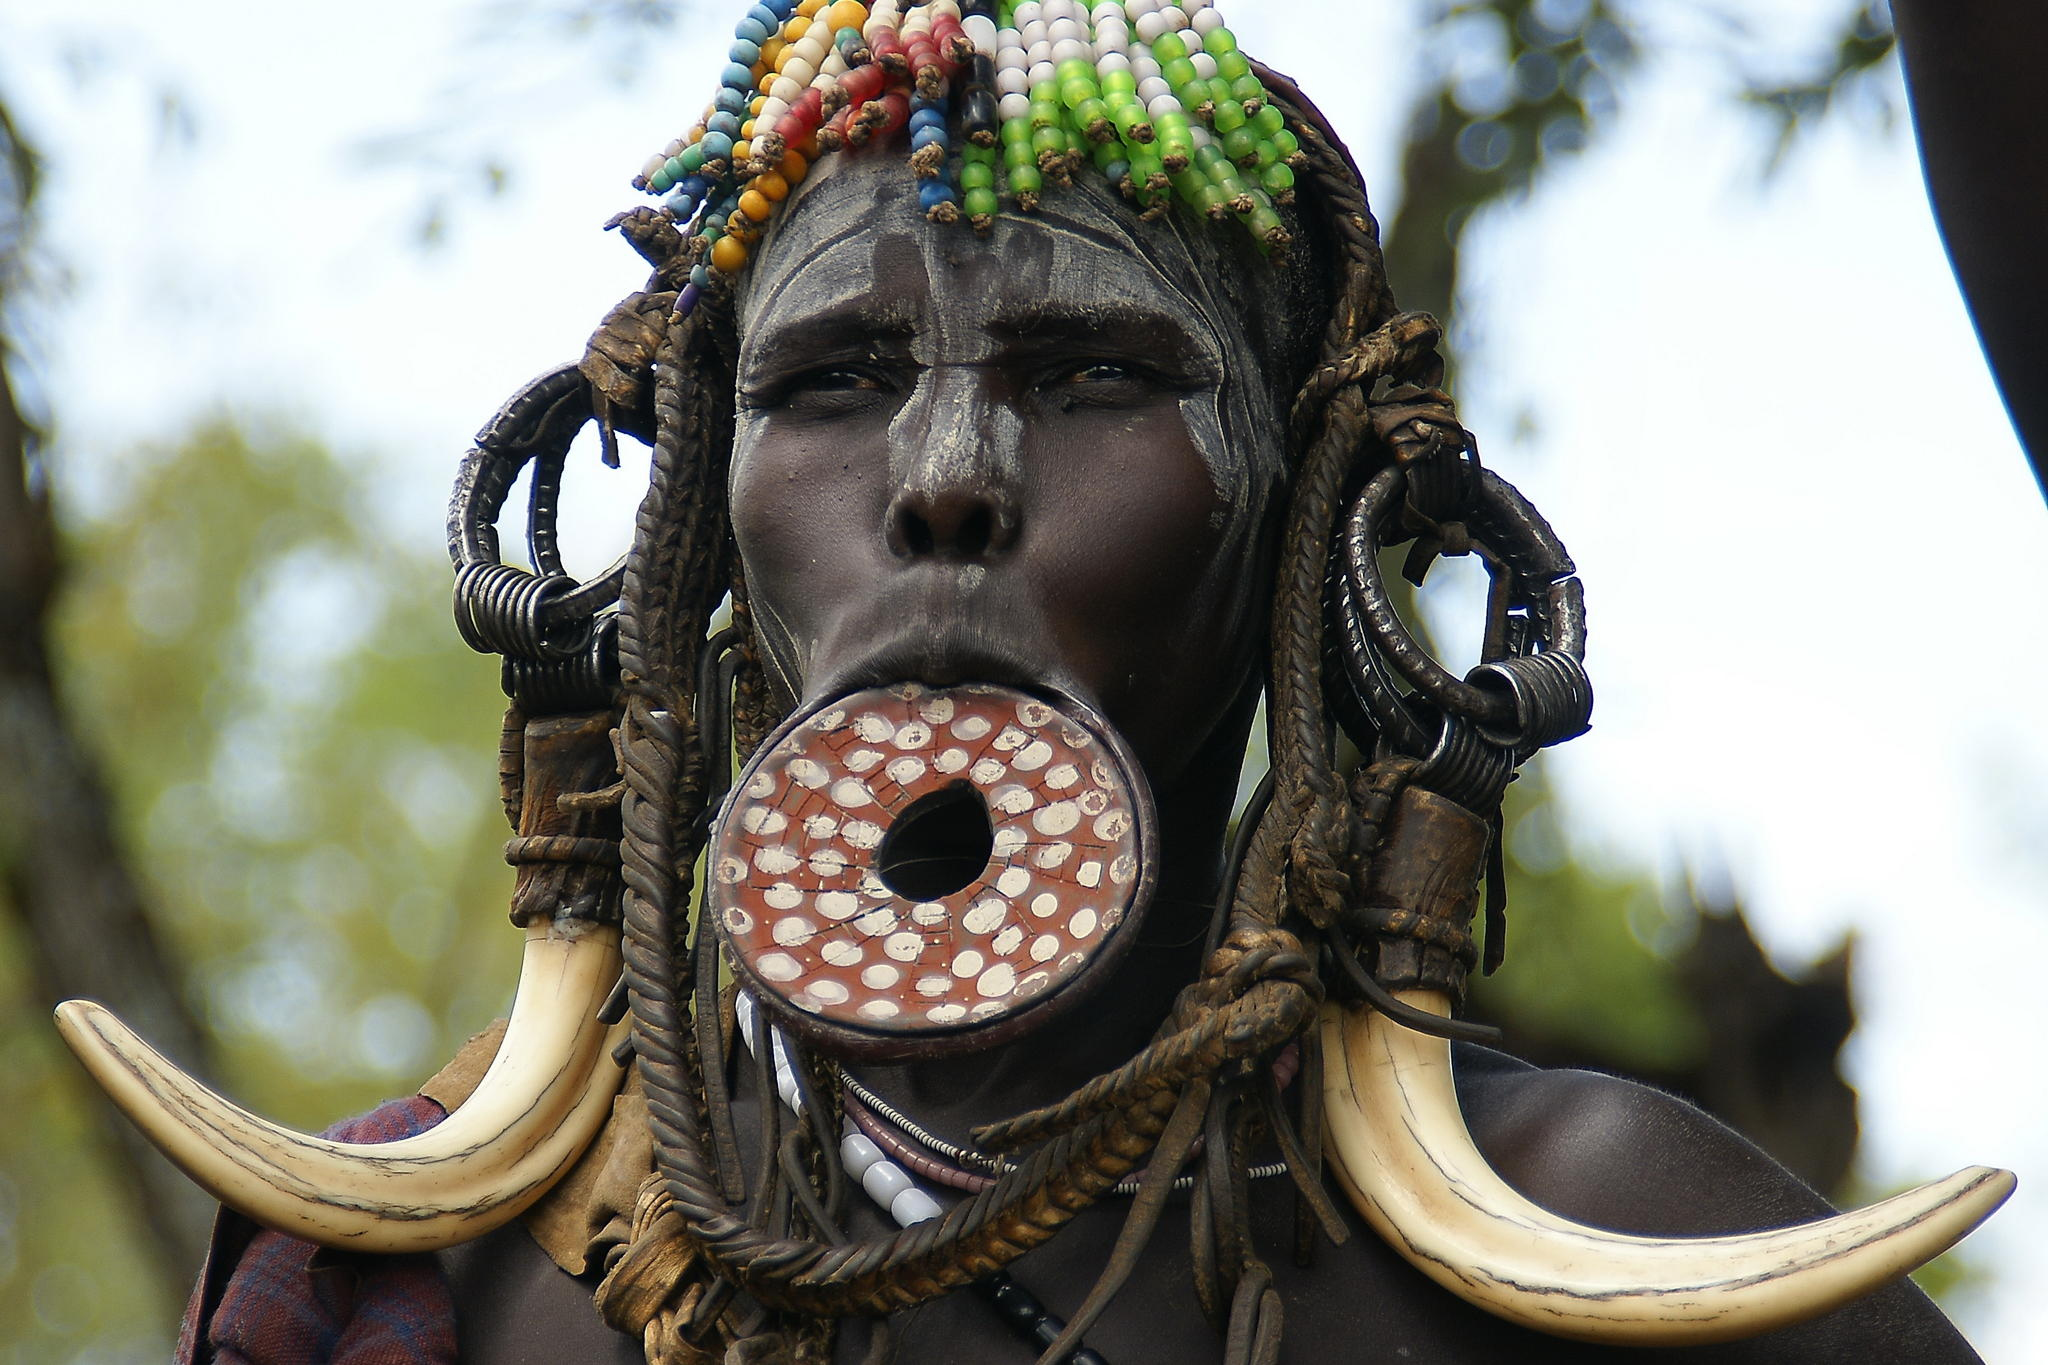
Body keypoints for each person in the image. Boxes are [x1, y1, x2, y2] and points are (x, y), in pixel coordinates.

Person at [59, 3, 2009, 1361]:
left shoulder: (1613, 1240)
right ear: (702, 525)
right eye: (833, 380)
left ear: (1302, 525)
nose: (947, 477)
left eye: (1095, 376)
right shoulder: (442, 1279)